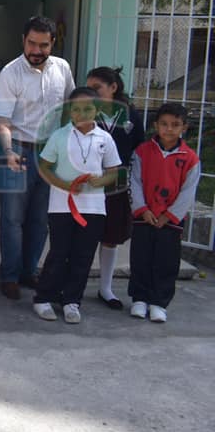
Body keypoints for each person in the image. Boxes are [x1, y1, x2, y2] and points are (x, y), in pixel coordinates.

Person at [0, 16, 75, 300]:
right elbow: (2, 121)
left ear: (53, 43)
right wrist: (8, 151)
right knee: (13, 218)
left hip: (50, 153)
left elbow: (70, 107)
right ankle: (10, 276)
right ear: (23, 40)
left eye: (43, 45)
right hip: (19, 148)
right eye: (31, 43)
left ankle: (30, 271)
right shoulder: (10, 74)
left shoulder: (62, 68)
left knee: (40, 219)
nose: (36, 50)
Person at [33, 88, 121, 323]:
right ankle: (44, 297)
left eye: (88, 108)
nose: (82, 114)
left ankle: (72, 300)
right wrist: (63, 184)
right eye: (77, 109)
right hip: (62, 207)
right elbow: (44, 166)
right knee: (59, 253)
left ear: (98, 109)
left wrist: (100, 180)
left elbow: (113, 171)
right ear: (69, 111)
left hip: (94, 208)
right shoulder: (59, 136)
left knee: (84, 255)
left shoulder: (105, 138)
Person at [129, 103, 200, 323]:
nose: (169, 129)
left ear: (184, 128)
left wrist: (168, 215)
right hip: (145, 217)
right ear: (155, 125)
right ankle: (139, 299)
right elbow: (134, 182)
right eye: (164, 124)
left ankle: (159, 302)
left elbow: (188, 192)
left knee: (166, 262)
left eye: (175, 125)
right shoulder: (142, 151)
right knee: (141, 258)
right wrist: (142, 209)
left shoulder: (190, 158)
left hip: (169, 221)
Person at [85, 66, 145, 309]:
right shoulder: (86, 112)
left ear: (113, 87)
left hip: (118, 187)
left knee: (111, 238)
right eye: (89, 88)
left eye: (97, 88)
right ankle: (73, 286)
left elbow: (139, 147)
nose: (92, 93)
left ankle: (105, 288)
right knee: (85, 238)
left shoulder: (130, 114)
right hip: (89, 187)